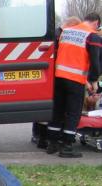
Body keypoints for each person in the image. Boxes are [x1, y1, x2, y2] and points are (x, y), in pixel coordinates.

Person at [46, 13, 102, 158]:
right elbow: (95, 62)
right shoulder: (92, 36)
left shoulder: (67, 31)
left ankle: (52, 143)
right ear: (96, 23)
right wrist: (94, 80)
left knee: (58, 110)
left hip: (59, 77)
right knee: (73, 113)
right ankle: (67, 146)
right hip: (75, 80)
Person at [33, 16, 82, 149]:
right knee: (57, 109)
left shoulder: (53, 34)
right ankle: (43, 138)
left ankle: (40, 137)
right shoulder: (61, 36)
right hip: (54, 76)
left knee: (48, 109)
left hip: (48, 75)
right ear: (71, 25)